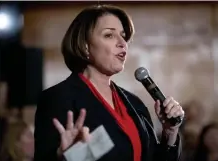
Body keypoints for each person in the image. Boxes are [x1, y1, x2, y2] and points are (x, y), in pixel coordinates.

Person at [34, 4, 185, 161]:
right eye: (109, 35)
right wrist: (64, 157)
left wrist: (170, 132)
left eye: (123, 35)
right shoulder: (58, 98)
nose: (122, 43)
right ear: (85, 46)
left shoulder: (134, 103)